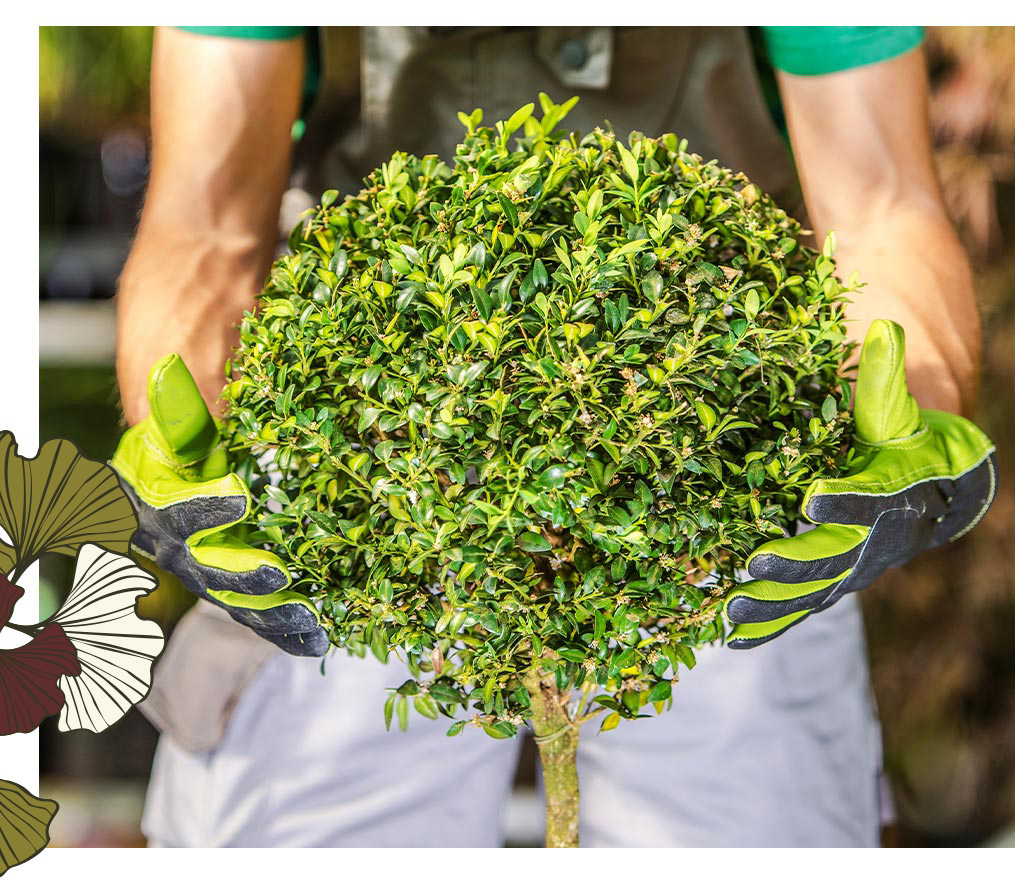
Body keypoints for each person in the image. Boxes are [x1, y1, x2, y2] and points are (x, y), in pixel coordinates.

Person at [112, 26, 997, 847]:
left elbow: (879, 201)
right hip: (358, 471)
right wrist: (184, 439)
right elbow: (208, 220)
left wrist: (908, 414)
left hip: (730, 486)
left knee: (754, 824)